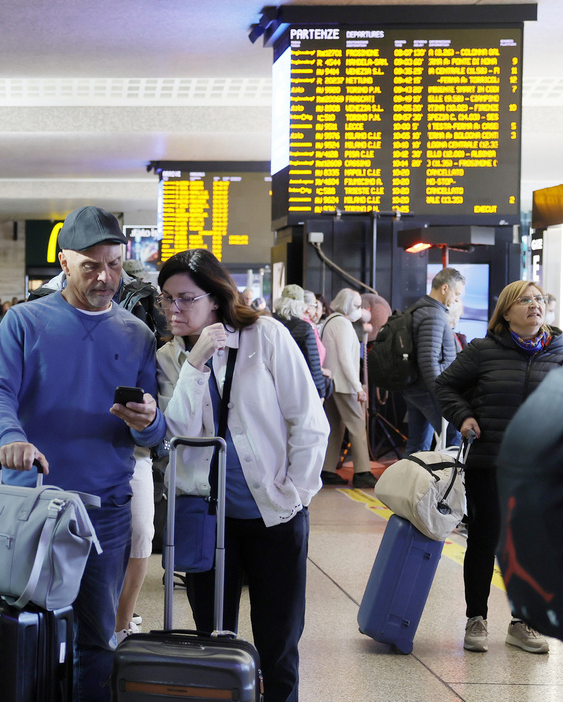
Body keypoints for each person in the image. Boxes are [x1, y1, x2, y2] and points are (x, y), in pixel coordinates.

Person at [0, 206, 166, 702]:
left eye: (114, 264)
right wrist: (9, 439)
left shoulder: (137, 334)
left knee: (97, 635)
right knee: (27, 628)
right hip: (32, 503)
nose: (105, 277)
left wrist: (151, 423)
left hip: (103, 508)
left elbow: (153, 427)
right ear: (64, 263)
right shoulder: (25, 321)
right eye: (90, 266)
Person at [155, 248, 328, 702]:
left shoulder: (265, 335)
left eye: (185, 299)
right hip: (206, 520)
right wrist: (196, 363)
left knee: (278, 640)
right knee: (213, 641)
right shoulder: (170, 358)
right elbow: (175, 432)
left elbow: (307, 420)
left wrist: (297, 493)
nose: (174, 309)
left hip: (274, 513)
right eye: (166, 299)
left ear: (215, 298)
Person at [436, 280, 563, 656]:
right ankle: (476, 618)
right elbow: (445, 386)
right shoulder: (483, 351)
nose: (534, 305)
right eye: (525, 300)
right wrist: (463, 417)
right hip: (490, 461)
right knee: (485, 540)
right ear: (506, 311)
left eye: (540, 299)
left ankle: (523, 623)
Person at [398, 268, 464, 453]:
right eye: (456, 293)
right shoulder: (434, 315)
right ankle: (454, 482)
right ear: (445, 288)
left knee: (417, 445)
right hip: (429, 390)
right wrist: (442, 393)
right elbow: (429, 360)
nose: (457, 299)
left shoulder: (418, 309)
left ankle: (410, 482)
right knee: (453, 439)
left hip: (416, 388)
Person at [320, 288, 375, 488]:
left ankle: (327, 469)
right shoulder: (342, 324)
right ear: (346, 305)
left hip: (333, 383)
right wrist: (357, 386)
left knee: (335, 428)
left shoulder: (330, 322)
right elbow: (345, 359)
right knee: (358, 427)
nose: (360, 310)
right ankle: (362, 472)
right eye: (356, 306)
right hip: (344, 384)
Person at [273, 284, 329, 400]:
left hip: (272, 385)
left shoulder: (269, 322)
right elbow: (312, 362)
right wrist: (321, 392)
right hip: (297, 389)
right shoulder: (304, 328)